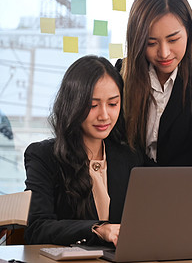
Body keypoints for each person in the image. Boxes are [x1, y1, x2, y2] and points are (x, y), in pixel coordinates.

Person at [24, 55, 143, 246]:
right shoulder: (44, 156)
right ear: (73, 104)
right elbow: (37, 229)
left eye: (113, 104)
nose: (104, 115)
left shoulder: (130, 158)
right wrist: (97, 229)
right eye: (92, 105)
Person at [117, 0, 192, 167]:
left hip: (191, 188)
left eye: (173, 40)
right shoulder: (123, 72)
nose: (164, 53)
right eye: (151, 43)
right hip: (134, 188)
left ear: (189, 30)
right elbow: (120, 151)